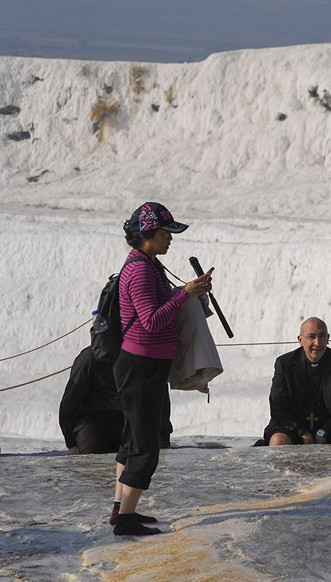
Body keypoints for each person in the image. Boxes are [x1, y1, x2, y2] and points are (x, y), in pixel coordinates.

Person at [109, 201, 213, 536]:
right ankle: (125, 521)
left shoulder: (147, 264)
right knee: (145, 446)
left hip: (145, 366)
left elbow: (157, 308)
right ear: (147, 234)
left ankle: (121, 508)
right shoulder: (140, 270)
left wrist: (189, 293)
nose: (170, 238)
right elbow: (152, 321)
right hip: (141, 367)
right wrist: (185, 295)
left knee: (132, 439)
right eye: (165, 233)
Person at [261, 317, 331, 447]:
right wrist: (301, 432)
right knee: (278, 440)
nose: (317, 343)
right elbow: (278, 409)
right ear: (300, 340)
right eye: (311, 337)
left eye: (322, 336)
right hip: (292, 427)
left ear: (328, 338)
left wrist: (324, 431)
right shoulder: (284, 364)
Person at [59, 346, 172, 455]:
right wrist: (71, 443)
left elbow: (160, 398)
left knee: (144, 453)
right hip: (94, 421)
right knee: (90, 450)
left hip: (132, 419)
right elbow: (70, 401)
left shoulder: (143, 356)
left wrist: (163, 434)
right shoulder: (89, 357)